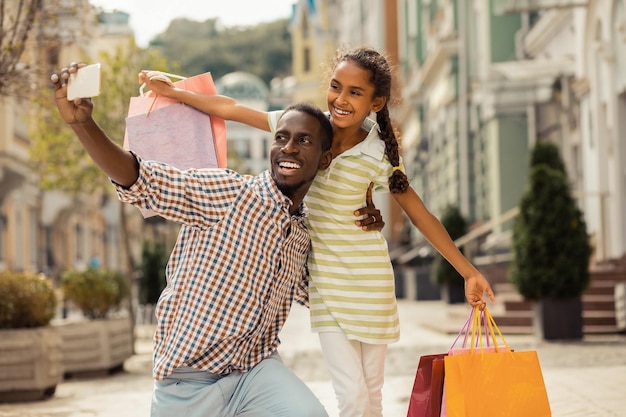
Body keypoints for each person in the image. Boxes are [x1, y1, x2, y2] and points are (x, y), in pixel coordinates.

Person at [140, 45, 496, 417]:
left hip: (372, 285)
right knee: (352, 397)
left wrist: (468, 271)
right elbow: (231, 109)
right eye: (336, 86)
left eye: (355, 92)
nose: (341, 99)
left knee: (372, 395)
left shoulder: (380, 154)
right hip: (327, 288)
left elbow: (421, 214)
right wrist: (175, 92)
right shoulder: (306, 128)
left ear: (376, 103)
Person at [51, 62, 345, 417]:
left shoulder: (301, 232)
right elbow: (140, 178)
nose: (289, 148)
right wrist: (82, 124)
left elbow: (319, 293)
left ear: (324, 158)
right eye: (281, 137)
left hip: (255, 373)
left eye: (305, 140)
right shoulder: (228, 192)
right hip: (186, 383)